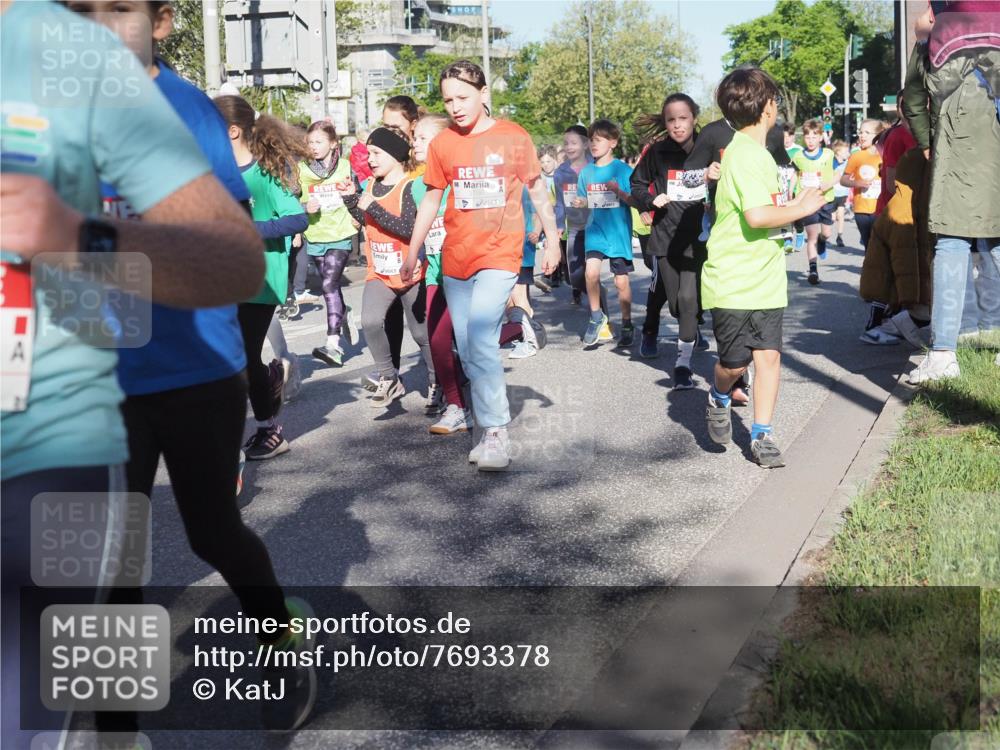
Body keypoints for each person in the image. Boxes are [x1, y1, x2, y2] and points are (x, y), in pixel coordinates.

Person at [0, 1, 315, 743]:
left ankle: (279, 635)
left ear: (163, 21)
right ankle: (118, 729)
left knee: (212, 532)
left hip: (194, 367)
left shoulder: (186, 110)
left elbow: (228, 248)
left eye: (120, 9)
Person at [400, 60, 560, 471]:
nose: (455, 107)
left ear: (483, 94)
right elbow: (431, 199)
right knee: (469, 346)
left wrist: (553, 239)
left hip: (500, 254)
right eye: (448, 100)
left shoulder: (513, 136)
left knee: (482, 335)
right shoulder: (444, 144)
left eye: (463, 97)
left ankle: (495, 432)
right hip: (456, 258)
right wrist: (413, 250)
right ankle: (481, 416)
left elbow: (536, 189)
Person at [702, 67, 826, 468]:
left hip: (767, 277)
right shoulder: (744, 155)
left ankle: (762, 434)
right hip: (733, 279)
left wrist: (796, 202)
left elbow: (767, 208)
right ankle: (719, 394)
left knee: (768, 357)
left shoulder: (760, 155)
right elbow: (757, 216)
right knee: (734, 364)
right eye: (775, 99)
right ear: (768, 107)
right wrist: (801, 209)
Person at [905, 0, 1000, 382]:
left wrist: (929, 143)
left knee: (952, 241)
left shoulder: (940, 26)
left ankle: (944, 354)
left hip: (958, 140)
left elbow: (914, 97)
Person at [214, 95, 309, 460]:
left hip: (262, 277)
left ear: (232, 131)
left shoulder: (265, 172)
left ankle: (269, 430)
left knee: (242, 355)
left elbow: (297, 218)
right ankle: (267, 382)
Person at [350, 125, 436, 407]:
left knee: (421, 334)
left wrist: (373, 207)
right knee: (370, 321)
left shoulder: (410, 187)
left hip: (410, 273)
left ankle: (437, 381)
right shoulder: (369, 185)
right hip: (379, 272)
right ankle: (389, 378)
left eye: (376, 153)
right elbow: (366, 221)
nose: (370, 159)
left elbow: (410, 229)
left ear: (395, 155)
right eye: (368, 154)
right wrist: (351, 201)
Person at [630, 93, 707, 388]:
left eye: (683, 118)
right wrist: (651, 199)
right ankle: (679, 327)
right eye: (671, 120)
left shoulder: (707, 148)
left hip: (698, 239)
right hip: (665, 238)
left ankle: (682, 365)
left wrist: (714, 193)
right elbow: (636, 184)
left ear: (694, 118)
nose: (677, 125)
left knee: (688, 301)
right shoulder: (657, 152)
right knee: (676, 305)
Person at [298, 120, 363, 367]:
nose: (313, 147)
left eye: (319, 142)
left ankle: (333, 345)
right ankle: (344, 313)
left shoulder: (346, 167)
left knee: (328, 285)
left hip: (341, 234)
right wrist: (305, 206)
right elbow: (291, 201)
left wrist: (358, 217)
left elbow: (358, 195)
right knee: (331, 287)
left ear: (333, 143)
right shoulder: (301, 170)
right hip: (316, 235)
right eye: (310, 142)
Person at [572, 119, 635, 347]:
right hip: (595, 232)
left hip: (617, 233)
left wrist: (618, 191)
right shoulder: (586, 172)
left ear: (613, 143)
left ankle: (627, 323)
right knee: (591, 274)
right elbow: (584, 200)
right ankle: (596, 317)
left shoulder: (623, 170)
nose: (593, 144)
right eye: (591, 140)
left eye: (598, 140)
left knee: (621, 282)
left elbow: (634, 200)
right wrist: (580, 202)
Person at [842, 119, 886, 330]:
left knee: (879, 251)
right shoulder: (856, 156)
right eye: (860, 132)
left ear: (877, 134)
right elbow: (843, 179)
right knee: (869, 250)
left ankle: (879, 290)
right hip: (861, 210)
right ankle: (871, 289)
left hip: (881, 210)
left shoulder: (883, 154)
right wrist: (856, 183)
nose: (861, 136)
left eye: (866, 132)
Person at [553, 124, 596, 308]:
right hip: (574, 227)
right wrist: (559, 225)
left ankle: (598, 307)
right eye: (566, 143)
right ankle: (589, 290)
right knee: (574, 275)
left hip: (595, 226)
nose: (569, 147)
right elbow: (560, 202)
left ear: (585, 144)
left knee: (591, 272)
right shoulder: (560, 172)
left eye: (574, 143)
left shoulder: (596, 166)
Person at [791, 119, 838, 285]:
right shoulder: (798, 156)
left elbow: (838, 174)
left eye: (814, 137)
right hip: (807, 201)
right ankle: (813, 270)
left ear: (820, 138)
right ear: (803, 137)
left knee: (826, 234)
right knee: (811, 237)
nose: (810, 140)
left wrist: (829, 184)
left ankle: (823, 241)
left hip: (825, 200)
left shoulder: (828, 154)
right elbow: (794, 175)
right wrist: (790, 192)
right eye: (807, 137)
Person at [831, 139, 851, 246]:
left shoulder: (848, 163)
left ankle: (839, 236)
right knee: (832, 217)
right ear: (838, 152)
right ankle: (826, 235)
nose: (848, 153)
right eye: (846, 151)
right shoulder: (831, 162)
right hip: (832, 193)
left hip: (843, 193)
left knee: (841, 215)